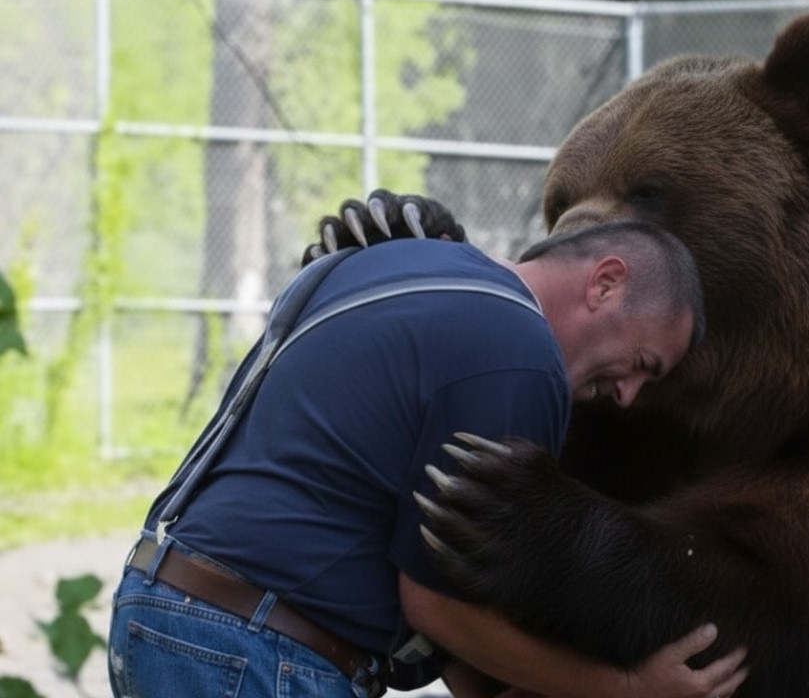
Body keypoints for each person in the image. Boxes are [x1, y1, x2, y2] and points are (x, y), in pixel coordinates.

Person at [107, 204, 747, 698]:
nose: (629, 395)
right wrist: (627, 690)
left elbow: (408, 552)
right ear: (606, 283)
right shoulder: (520, 356)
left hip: (158, 607)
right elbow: (438, 604)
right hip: (252, 650)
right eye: (641, 363)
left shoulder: (389, 265)